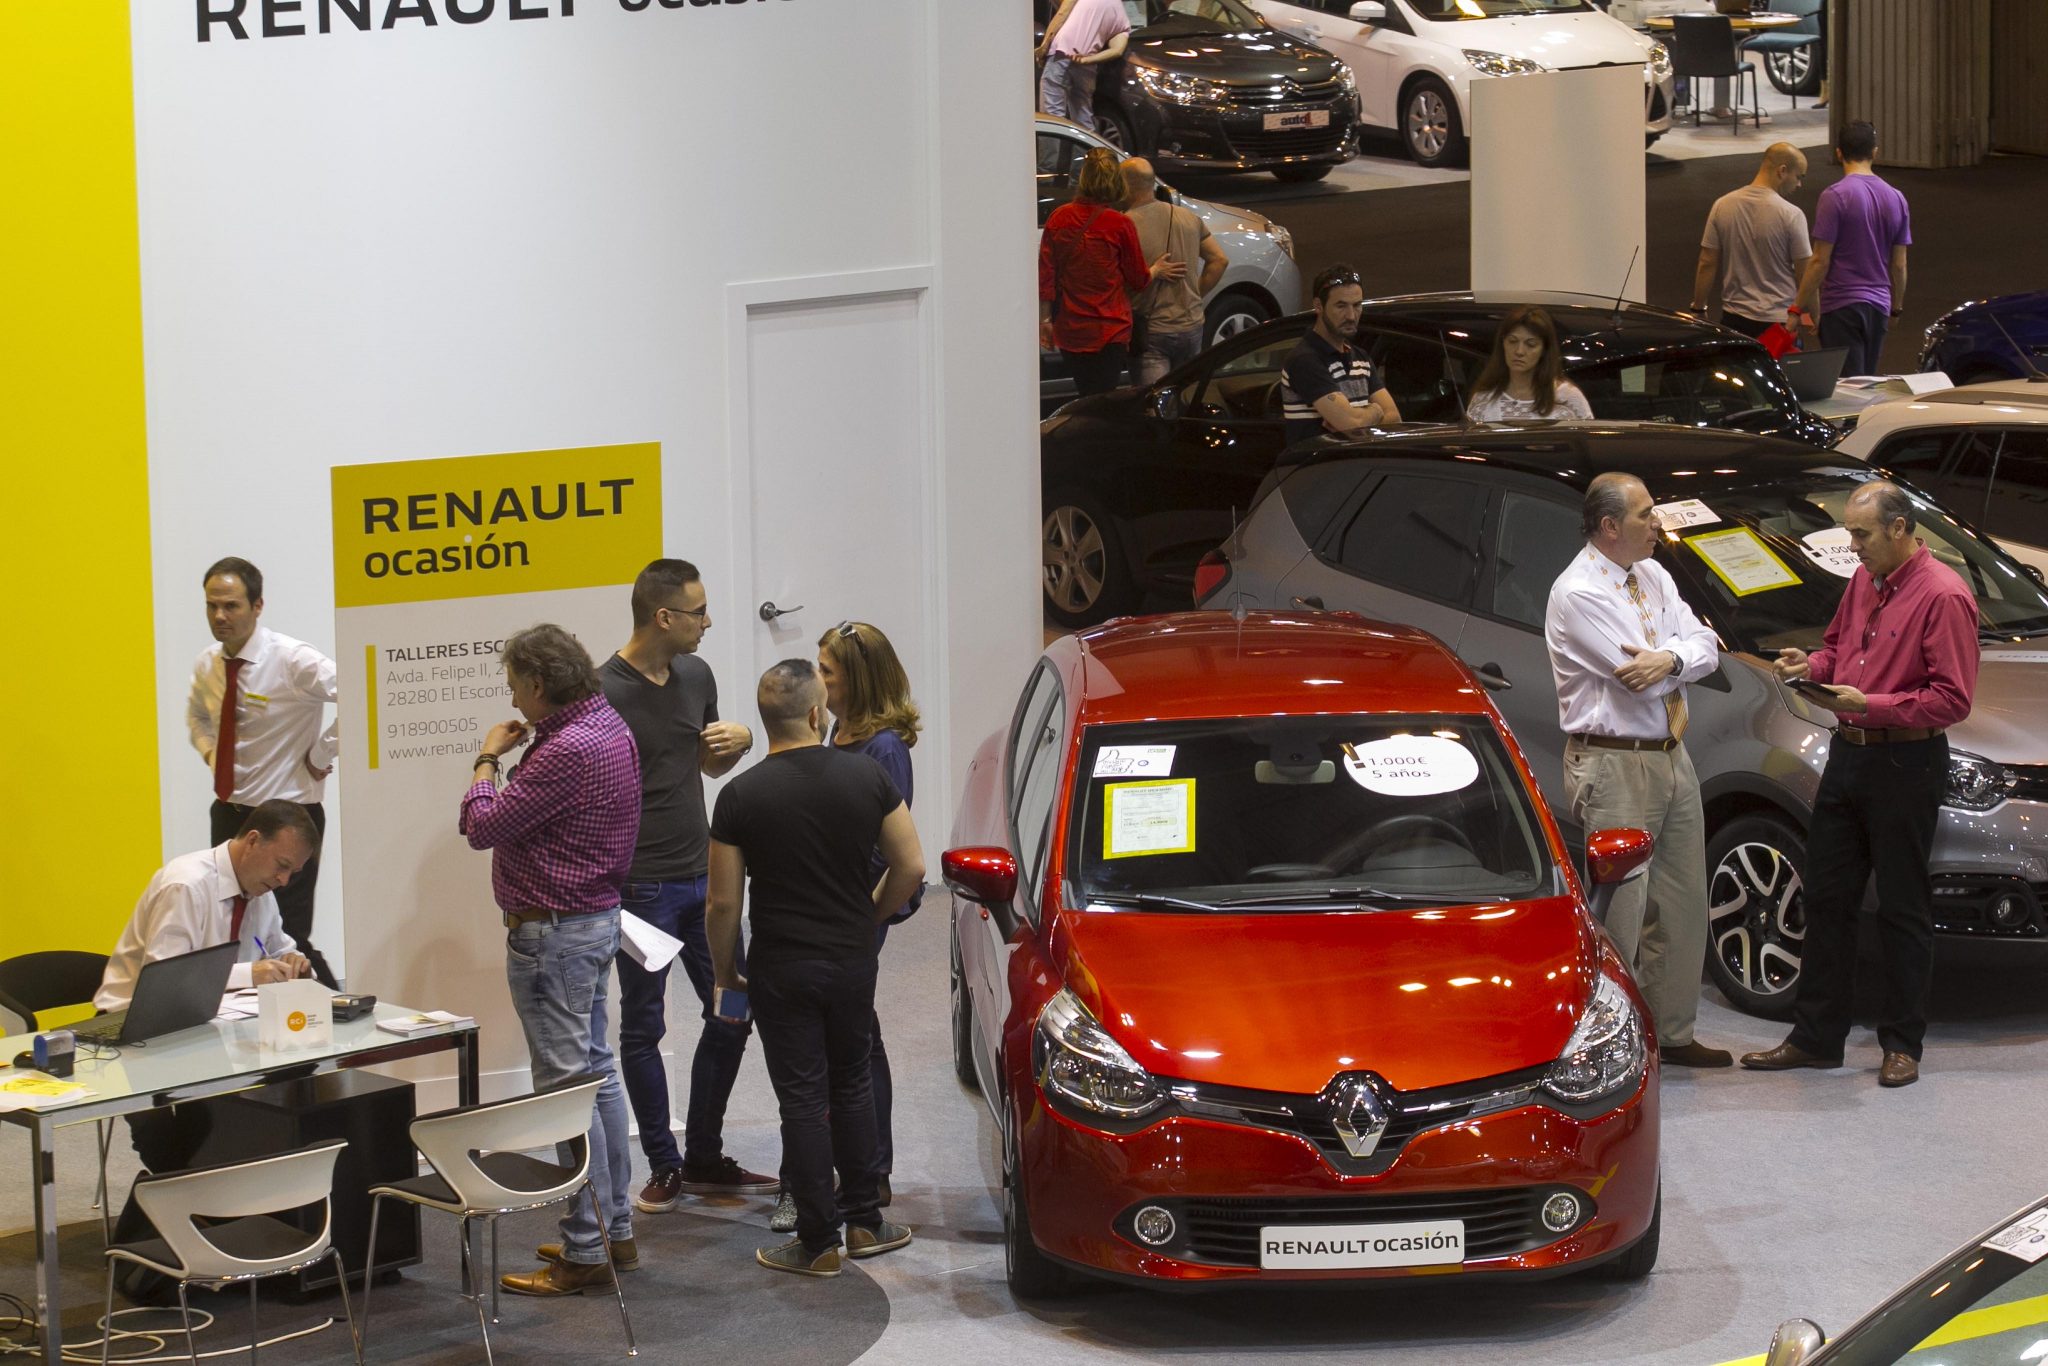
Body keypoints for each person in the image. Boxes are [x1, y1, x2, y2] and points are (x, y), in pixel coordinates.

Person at [1742, 481, 1977, 1089]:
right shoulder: (1864, 581)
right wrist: (1810, 666)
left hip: (1906, 762)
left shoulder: (1944, 594)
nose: (1853, 545)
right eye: (1850, 532)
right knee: (1826, 896)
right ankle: (1816, 1038)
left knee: (1901, 905)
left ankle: (1902, 1044)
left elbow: (1952, 699)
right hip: (1848, 753)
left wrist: (1868, 704)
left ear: (1899, 529)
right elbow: (1835, 651)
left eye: (1862, 533)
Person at [708, 660, 925, 1278]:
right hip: (851, 959)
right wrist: (868, 917)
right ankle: (866, 1222)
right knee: (852, 1082)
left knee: (801, 1098)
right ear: (815, 713)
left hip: (781, 965)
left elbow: (722, 904)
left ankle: (817, 1242)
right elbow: (910, 867)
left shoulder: (738, 796)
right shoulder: (868, 776)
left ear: (765, 719)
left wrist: (726, 973)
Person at [460, 624, 643, 1296]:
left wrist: (486, 759)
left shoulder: (565, 749)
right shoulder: (609, 726)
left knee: (568, 1094)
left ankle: (586, 1247)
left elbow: (482, 826)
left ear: (539, 683)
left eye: (515, 685)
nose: (512, 698)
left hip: (554, 939)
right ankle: (613, 1228)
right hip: (591, 926)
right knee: (597, 1077)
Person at [598, 560, 776, 1217]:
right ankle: (665, 1163)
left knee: (734, 1008)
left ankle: (702, 1154)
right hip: (638, 891)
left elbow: (705, 763)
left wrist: (741, 740)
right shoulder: (603, 692)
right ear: (664, 616)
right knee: (643, 1026)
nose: (709, 622)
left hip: (704, 881)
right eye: (699, 612)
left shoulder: (697, 675)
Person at [1544, 473, 1731, 1069]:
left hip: (1672, 754)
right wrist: (1678, 660)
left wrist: (1672, 657)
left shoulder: (1653, 574)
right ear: (1610, 526)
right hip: (1614, 762)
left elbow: (1706, 645)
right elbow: (1636, 678)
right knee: (1622, 915)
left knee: (1681, 904)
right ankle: (1611, 1052)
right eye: (1646, 514)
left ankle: (1671, 1035)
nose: (1658, 523)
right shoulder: (1579, 592)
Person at [99, 799, 318, 1298]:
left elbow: (277, 946)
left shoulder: (259, 890)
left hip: (211, 1029)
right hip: (136, 1031)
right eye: (282, 866)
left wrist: (294, 962)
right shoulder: (186, 884)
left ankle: (219, 1229)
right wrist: (250, 973)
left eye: (294, 873)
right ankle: (155, 1252)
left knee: (263, 1115)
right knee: (187, 1140)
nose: (284, 880)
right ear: (253, 840)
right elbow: (169, 981)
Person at [186, 556, 340, 988]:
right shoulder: (208, 663)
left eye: (231, 606)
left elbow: (361, 689)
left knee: (289, 938)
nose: (220, 616)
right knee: (230, 934)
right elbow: (198, 716)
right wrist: (211, 755)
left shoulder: (292, 660)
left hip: (289, 819)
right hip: (230, 815)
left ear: (257, 606)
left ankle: (340, 1011)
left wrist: (322, 751)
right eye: (212, 605)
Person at [816, 621, 922, 1212]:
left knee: (855, 1036)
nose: (818, 680)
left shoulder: (884, 748)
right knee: (852, 1031)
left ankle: (873, 1169)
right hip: (835, 899)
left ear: (855, 679)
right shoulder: (838, 727)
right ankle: (860, 1162)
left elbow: (889, 848)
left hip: (860, 903)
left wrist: (862, 915)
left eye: (826, 672)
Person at [1039, 147, 1185, 398]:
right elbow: (1139, 280)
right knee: (1103, 397)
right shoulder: (1120, 224)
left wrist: (1045, 321)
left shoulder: (1058, 218)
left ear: (1083, 178)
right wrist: (1156, 269)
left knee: (1085, 392)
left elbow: (1046, 276)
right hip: (1109, 330)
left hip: (1070, 329)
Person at [1794, 120, 1911, 375]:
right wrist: (1896, 308)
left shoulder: (1834, 196)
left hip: (1841, 306)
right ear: (1875, 152)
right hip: (1879, 307)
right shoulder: (1897, 198)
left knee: (1847, 388)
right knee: (1867, 383)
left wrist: (1797, 309)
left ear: (1839, 153)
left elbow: (1819, 261)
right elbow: (1899, 265)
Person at [1121, 156, 1228, 385]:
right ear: (1152, 183)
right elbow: (1219, 260)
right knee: (1185, 397)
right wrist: (1195, 294)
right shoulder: (1187, 217)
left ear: (1125, 186)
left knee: (1154, 402)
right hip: (1191, 326)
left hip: (1151, 331)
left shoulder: (1124, 225)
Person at [1690, 143, 1813, 340]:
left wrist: (1698, 307)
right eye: (1799, 177)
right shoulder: (1792, 215)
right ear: (1782, 171)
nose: (1799, 184)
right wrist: (1815, 313)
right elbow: (1805, 273)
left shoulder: (1722, 205)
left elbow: (1707, 262)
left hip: (1734, 319)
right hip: (1779, 323)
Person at [1280, 263, 1403, 450]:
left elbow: (1395, 419)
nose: (1351, 316)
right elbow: (1351, 425)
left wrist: (1357, 419)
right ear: (1318, 306)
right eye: (1341, 306)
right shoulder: (1305, 360)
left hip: (1356, 465)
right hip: (1317, 466)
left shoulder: (1361, 357)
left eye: (1357, 305)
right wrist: (1376, 410)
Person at [1465, 305, 1594, 424]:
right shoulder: (1484, 398)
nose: (1519, 351)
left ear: (1544, 350)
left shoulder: (1567, 398)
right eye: (1512, 341)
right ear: (1502, 343)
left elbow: (1589, 439)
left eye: (1530, 344)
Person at [1034, 0, 1130, 133]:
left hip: (1062, 55)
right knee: (1083, 118)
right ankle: (1088, 146)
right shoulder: (1121, 15)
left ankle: (1052, 147)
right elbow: (1117, 50)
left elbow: (1062, 13)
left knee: (1052, 116)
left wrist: (1044, 46)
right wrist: (1088, 59)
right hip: (1087, 65)